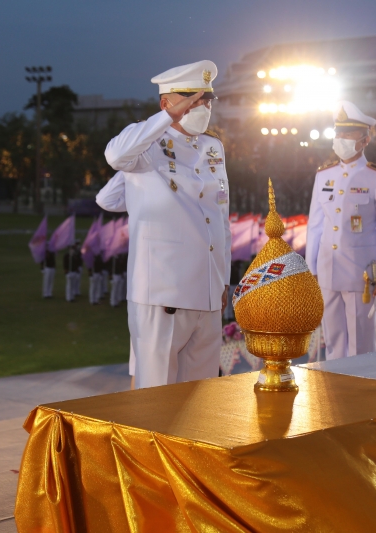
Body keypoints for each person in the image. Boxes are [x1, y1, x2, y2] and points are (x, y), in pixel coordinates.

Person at [99, 60, 231, 389]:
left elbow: (220, 218)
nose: (200, 106)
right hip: (164, 292)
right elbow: (115, 156)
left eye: (205, 99)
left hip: (208, 292)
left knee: (201, 399)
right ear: (166, 104)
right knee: (154, 399)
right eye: (191, 98)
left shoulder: (213, 147)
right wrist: (166, 120)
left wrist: (223, 279)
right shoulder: (146, 145)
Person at [305, 101, 376, 360]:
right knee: (333, 344)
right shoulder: (324, 176)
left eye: (348, 134)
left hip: (363, 277)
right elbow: (314, 226)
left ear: (365, 139)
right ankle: (336, 395)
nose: (341, 139)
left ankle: (360, 398)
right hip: (327, 272)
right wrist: (311, 270)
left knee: (361, 348)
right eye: (338, 133)